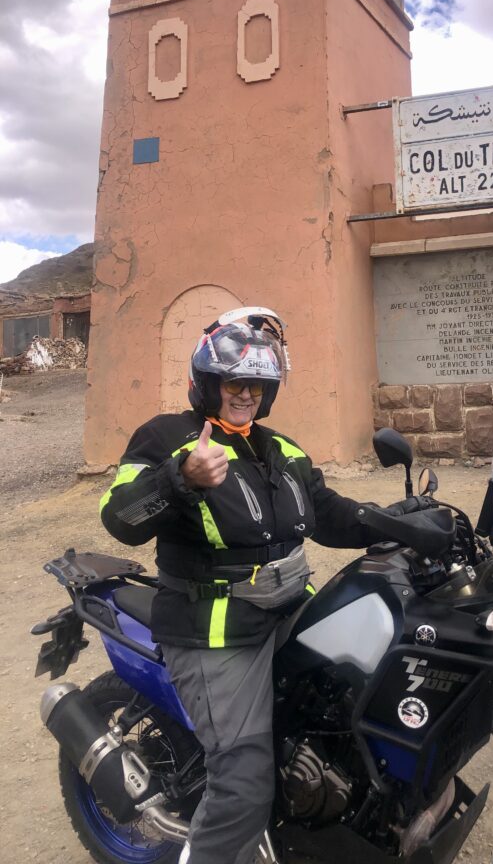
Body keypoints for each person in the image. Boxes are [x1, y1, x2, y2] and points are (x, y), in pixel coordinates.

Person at [100, 306, 388, 864]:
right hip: (215, 629)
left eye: (257, 385)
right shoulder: (167, 438)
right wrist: (179, 480)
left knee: (358, 691)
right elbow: (120, 517)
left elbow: (330, 514)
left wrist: (398, 521)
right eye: (234, 382)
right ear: (208, 384)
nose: (246, 394)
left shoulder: (282, 449)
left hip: (288, 606)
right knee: (242, 784)